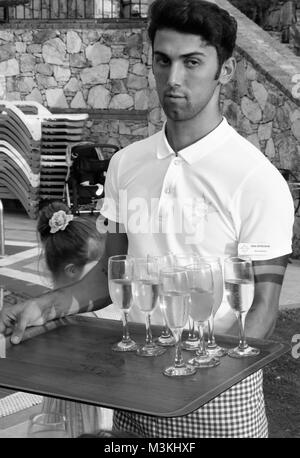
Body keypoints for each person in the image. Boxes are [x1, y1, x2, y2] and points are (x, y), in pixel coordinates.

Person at [0, 0, 294, 438]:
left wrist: (217, 373)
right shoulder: (126, 165)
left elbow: (263, 310)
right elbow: (108, 277)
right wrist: (47, 304)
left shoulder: (257, 180)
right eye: (163, 61)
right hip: (133, 390)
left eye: (192, 62)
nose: (173, 79)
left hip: (220, 399)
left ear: (225, 72)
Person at [35, 201, 113, 437]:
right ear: (72, 270)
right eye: (97, 264)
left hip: (57, 410)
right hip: (85, 411)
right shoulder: (84, 317)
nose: (104, 270)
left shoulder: (41, 308)